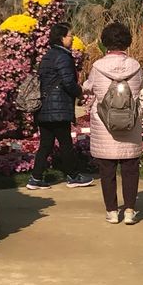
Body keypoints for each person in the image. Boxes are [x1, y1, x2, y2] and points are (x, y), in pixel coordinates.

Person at [83, 22, 143, 225]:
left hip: (105, 126)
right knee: (130, 169)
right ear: (127, 41)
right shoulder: (136, 67)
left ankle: (111, 211)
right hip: (129, 124)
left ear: (105, 42)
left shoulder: (98, 67)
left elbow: (90, 87)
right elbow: (140, 87)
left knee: (107, 170)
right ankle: (129, 211)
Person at [27, 23, 94, 190]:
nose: (72, 38)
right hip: (58, 108)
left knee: (46, 144)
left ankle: (35, 178)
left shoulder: (48, 55)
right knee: (65, 144)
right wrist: (79, 92)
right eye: (70, 35)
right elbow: (68, 81)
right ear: (62, 38)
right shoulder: (63, 57)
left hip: (44, 107)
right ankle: (73, 176)